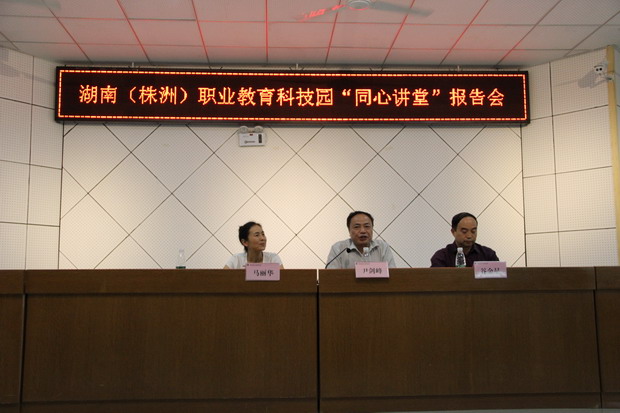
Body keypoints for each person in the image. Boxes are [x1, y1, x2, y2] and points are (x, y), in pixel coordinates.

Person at [326, 211, 396, 269]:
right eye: (357, 227)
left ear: (372, 229)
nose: (363, 231)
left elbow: (393, 274)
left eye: (367, 226)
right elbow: (330, 276)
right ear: (349, 230)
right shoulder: (339, 249)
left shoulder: (382, 247)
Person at [430, 212, 499, 267]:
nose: (469, 236)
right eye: (464, 231)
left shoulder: (488, 255)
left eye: (473, 231)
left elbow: (499, 277)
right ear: (453, 232)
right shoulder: (441, 257)